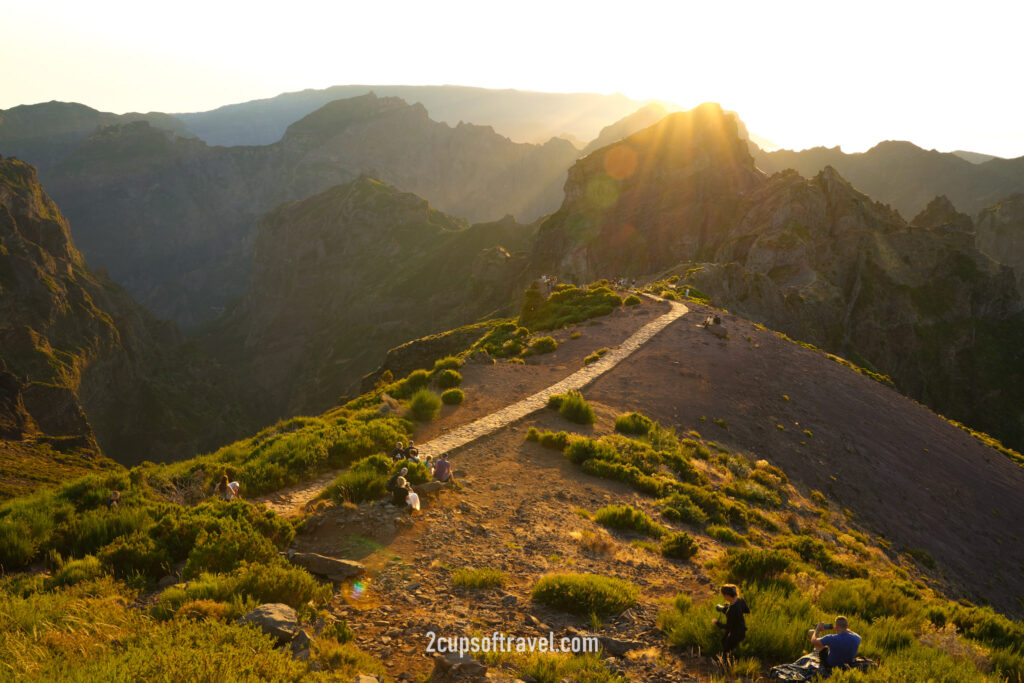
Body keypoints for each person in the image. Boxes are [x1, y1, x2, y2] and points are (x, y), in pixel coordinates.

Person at [712, 584, 750, 657]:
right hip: (742, 629)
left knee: (727, 648)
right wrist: (728, 607)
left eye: (723, 595)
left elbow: (728, 627)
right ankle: (732, 659)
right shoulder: (740, 600)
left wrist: (717, 623)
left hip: (736, 634)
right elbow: (746, 610)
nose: (724, 597)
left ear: (727, 595)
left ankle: (727, 664)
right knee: (724, 641)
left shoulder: (731, 610)